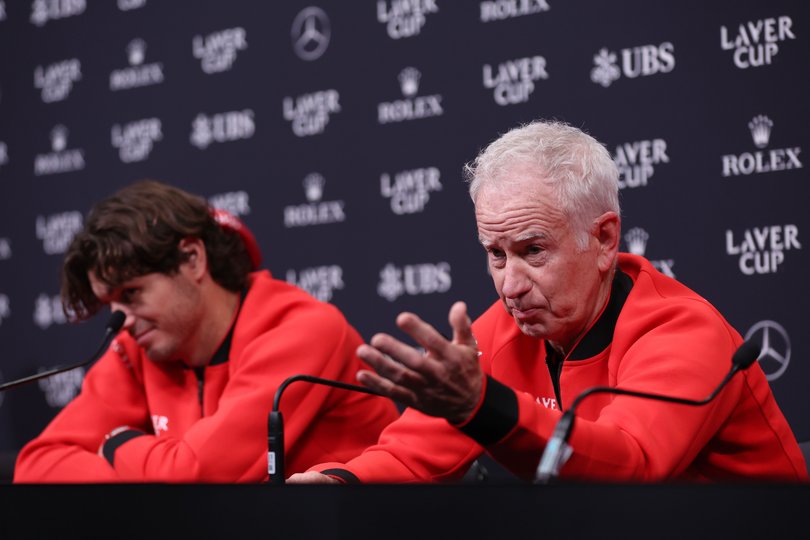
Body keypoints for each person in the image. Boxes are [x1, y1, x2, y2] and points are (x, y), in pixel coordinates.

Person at [289, 120, 808, 483]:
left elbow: (633, 468)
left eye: (533, 250)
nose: (509, 285)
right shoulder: (504, 329)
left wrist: (484, 407)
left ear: (604, 240)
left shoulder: (684, 331)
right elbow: (412, 454)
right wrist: (339, 484)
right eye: (495, 254)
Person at [13, 180, 399, 483]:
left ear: (193, 259)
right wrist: (154, 479)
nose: (122, 320)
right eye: (110, 304)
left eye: (131, 293)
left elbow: (199, 478)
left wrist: (118, 445)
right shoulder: (137, 348)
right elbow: (37, 467)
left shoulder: (302, 328)